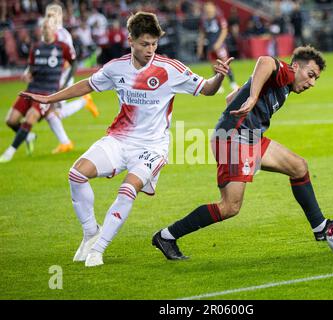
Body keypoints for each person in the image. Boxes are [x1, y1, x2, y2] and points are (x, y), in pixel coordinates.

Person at [21, 12, 234, 267]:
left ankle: (98, 249)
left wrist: (219, 76)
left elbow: (207, 89)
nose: (150, 49)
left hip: (152, 147)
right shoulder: (116, 68)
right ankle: (91, 232)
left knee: (127, 188)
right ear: (130, 40)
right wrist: (49, 98)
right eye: (145, 44)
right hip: (119, 140)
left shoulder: (169, 68)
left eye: (154, 44)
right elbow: (87, 85)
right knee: (76, 174)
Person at [152, 45, 333, 260]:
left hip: (250, 137)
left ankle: (320, 228)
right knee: (230, 207)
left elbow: (230, 98)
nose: (312, 83)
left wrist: (245, 97)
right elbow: (266, 60)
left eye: (316, 79)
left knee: (298, 167)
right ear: (296, 66)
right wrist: (251, 97)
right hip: (233, 137)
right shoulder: (285, 73)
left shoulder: (286, 86)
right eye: (310, 75)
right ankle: (167, 236)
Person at [0, 17, 76, 163]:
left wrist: (65, 82)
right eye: (43, 28)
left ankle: (10, 152)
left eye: (47, 28)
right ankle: (29, 137)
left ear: (54, 30)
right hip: (32, 88)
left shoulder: (62, 47)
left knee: (30, 117)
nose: (45, 30)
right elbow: (32, 67)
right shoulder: (36, 47)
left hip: (48, 92)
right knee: (10, 121)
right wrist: (28, 74)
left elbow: (74, 63)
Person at [44, 3, 100, 154]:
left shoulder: (63, 35)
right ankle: (66, 141)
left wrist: (64, 82)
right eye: (48, 14)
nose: (50, 17)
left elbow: (71, 61)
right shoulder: (48, 34)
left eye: (53, 14)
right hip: (52, 79)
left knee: (51, 113)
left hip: (61, 78)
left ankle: (66, 141)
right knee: (50, 112)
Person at [197, 1, 238, 92]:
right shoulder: (204, 20)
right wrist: (200, 47)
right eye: (206, 7)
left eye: (209, 7)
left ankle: (233, 83)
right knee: (214, 66)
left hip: (220, 46)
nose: (208, 9)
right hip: (210, 46)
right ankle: (218, 85)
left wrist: (219, 43)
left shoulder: (219, 18)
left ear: (213, 8)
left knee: (225, 64)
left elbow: (224, 30)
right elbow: (202, 34)